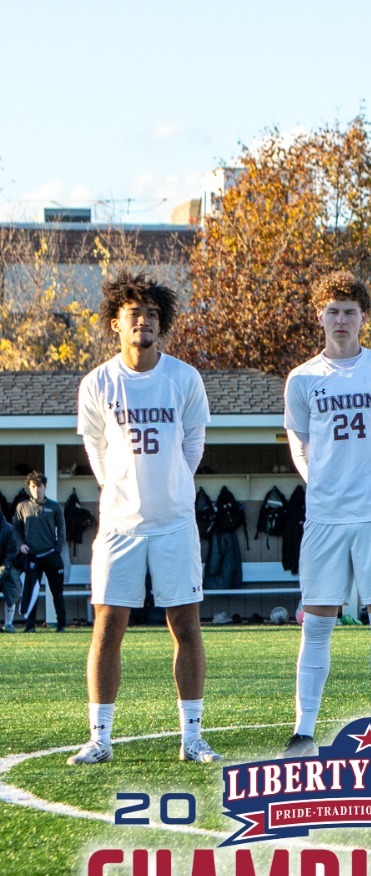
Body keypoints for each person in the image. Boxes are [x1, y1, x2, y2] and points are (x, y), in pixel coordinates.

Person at [69, 271, 214, 765]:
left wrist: (170, 488)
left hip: (174, 523)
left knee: (186, 626)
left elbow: (193, 446)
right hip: (119, 525)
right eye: (134, 314)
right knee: (107, 627)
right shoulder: (98, 382)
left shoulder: (184, 379)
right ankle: (100, 738)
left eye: (152, 314)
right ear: (116, 322)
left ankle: (192, 737)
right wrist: (120, 490)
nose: (143, 322)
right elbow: (96, 448)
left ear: (161, 322)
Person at [282, 271, 371, 756]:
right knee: (317, 622)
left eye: (350, 312)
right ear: (320, 316)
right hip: (326, 516)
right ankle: (304, 729)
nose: (341, 320)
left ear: (363, 318)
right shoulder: (302, 378)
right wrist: (324, 484)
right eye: (333, 311)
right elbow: (300, 446)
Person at [14, 470, 67, 631]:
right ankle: (30, 626)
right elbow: (16, 530)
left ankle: (61, 624)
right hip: (32, 557)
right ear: (29, 488)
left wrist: (57, 549)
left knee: (57, 592)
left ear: (45, 487)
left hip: (51, 554)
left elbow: (62, 530)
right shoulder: (22, 507)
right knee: (31, 592)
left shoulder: (54, 507)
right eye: (33, 486)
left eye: (40, 486)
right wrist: (21, 544)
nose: (37, 489)